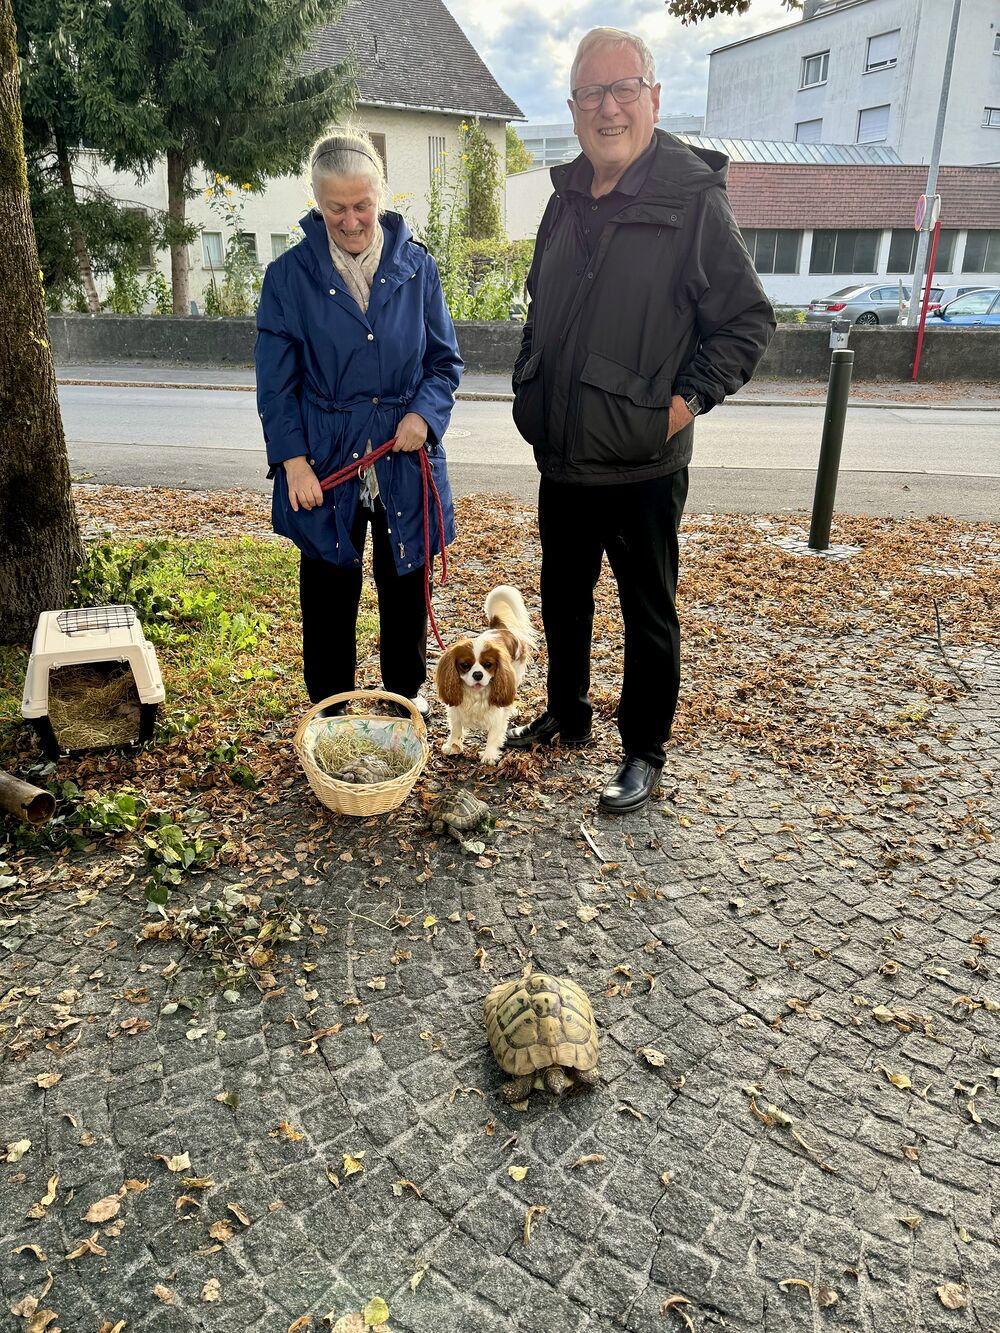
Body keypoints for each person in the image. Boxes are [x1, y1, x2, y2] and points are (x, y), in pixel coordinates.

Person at [506, 27, 775, 813]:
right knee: (564, 596)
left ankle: (644, 750)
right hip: (564, 455)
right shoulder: (565, 199)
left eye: (624, 89)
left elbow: (747, 322)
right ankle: (567, 713)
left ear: (654, 98)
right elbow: (540, 305)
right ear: (573, 108)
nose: (608, 108)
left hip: (643, 464)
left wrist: (680, 406)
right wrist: (530, 374)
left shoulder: (692, 200)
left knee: (648, 613)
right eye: (592, 93)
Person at [255, 128, 463, 717]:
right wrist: (293, 462)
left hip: (404, 454)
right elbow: (276, 383)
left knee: (405, 585)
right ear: (318, 204)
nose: (351, 221)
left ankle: (404, 700)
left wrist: (424, 413)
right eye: (336, 208)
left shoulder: (418, 268)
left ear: (381, 196)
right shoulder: (289, 276)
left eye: (362, 205)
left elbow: (444, 362)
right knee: (327, 591)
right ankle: (330, 711)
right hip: (325, 459)